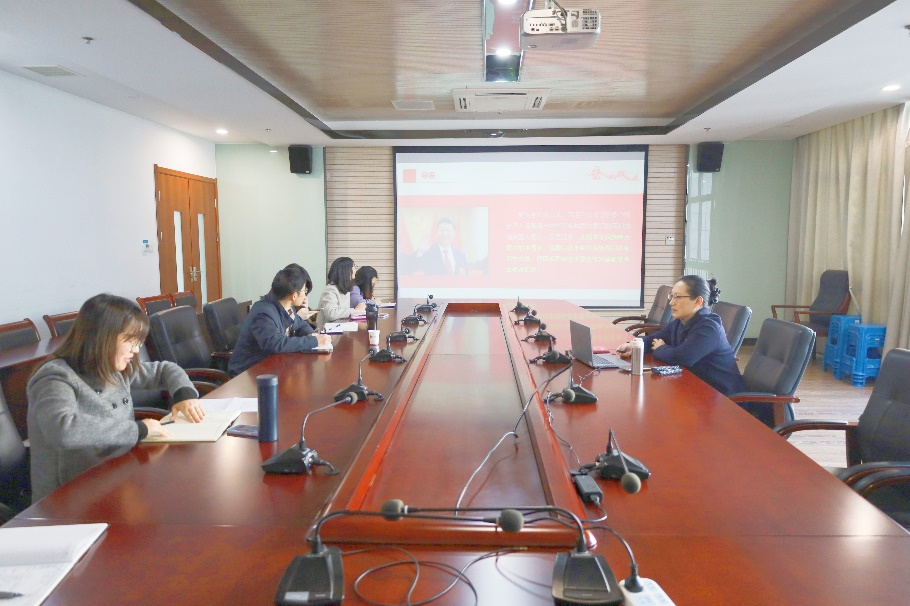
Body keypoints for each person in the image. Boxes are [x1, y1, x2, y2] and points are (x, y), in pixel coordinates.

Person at [27, 294, 205, 502]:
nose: (136, 350)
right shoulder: (55, 377)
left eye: (139, 342)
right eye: (130, 341)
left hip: (117, 474)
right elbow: (63, 429)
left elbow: (166, 370)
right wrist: (139, 429)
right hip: (68, 497)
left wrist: (184, 394)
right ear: (102, 337)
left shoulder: (113, 368)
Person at [616, 276, 745, 397]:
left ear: (698, 301)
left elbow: (682, 357)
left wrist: (661, 348)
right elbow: (653, 339)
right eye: (671, 296)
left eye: (677, 297)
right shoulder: (681, 321)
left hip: (723, 398)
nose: (671, 303)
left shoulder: (709, 328)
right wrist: (633, 345)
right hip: (696, 389)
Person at [229, 265, 332, 376]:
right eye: (304, 290)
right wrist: (313, 341)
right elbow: (275, 344)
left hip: (269, 367)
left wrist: (311, 334)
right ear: (294, 295)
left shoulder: (286, 306)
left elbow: (300, 323)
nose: (305, 296)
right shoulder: (263, 313)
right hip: (247, 374)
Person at [317, 257, 366, 326]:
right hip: (329, 330)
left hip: (341, 327)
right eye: (354, 267)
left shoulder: (345, 289)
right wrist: (355, 311)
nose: (355, 270)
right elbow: (331, 314)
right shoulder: (331, 289)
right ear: (346, 271)